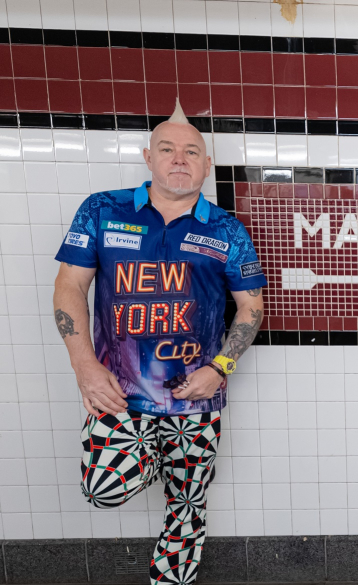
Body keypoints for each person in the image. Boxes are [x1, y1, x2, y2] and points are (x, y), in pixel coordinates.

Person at [53, 100, 267, 585]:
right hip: (119, 394)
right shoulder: (101, 211)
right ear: (148, 158)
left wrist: (220, 368)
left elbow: (251, 309)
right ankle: (152, 460)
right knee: (102, 488)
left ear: (206, 165)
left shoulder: (227, 230)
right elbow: (69, 287)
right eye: (167, 148)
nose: (179, 158)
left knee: (188, 504)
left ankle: (171, 581)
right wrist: (83, 364)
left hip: (197, 399)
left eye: (192, 151)